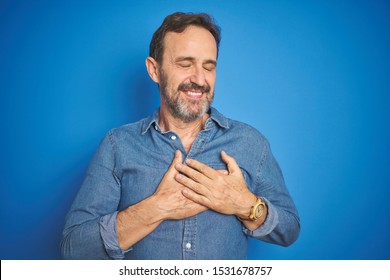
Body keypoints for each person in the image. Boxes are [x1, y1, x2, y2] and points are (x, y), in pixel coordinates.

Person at [61, 12, 300, 260]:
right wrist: (155, 208)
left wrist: (245, 204)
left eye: (209, 66)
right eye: (185, 64)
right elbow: (74, 249)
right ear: (154, 70)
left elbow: (289, 230)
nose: (199, 79)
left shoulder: (251, 143)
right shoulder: (117, 146)